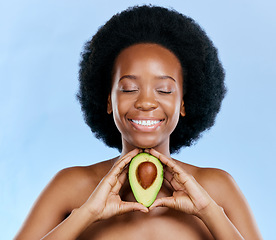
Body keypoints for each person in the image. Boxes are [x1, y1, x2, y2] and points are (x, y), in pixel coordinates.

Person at [15, 5, 262, 240]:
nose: (145, 102)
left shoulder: (217, 189)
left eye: (164, 90)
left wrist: (208, 211)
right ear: (109, 101)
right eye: (129, 88)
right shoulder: (70, 186)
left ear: (184, 104)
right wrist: (86, 214)